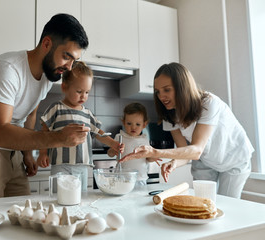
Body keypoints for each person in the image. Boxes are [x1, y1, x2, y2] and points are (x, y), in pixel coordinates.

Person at [0, 14, 90, 199]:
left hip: (13, 151)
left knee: (20, 213)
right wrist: (58, 138)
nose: (70, 67)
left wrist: (27, 154)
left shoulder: (47, 78)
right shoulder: (7, 69)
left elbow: (30, 115)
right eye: (67, 57)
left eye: (74, 60)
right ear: (47, 44)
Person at [120, 63, 254, 198]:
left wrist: (154, 151)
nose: (161, 96)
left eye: (167, 90)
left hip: (233, 158)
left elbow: (196, 150)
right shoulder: (169, 114)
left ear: (182, 86)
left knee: (227, 203)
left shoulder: (208, 103)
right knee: (202, 203)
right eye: (158, 91)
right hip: (205, 160)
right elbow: (184, 150)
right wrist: (174, 162)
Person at [37, 61, 123, 190]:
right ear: (64, 87)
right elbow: (44, 132)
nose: (84, 96)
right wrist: (43, 153)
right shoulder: (56, 108)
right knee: (60, 198)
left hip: (83, 166)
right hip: (61, 165)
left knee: (80, 199)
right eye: (79, 91)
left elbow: (98, 133)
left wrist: (113, 144)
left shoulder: (87, 114)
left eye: (87, 92)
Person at [107, 102, 157, 186]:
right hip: (122, 178)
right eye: (129, 123)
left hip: (140, 178)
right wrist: (113, 151)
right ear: (123, 122)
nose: (133, 127)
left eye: (137, 124)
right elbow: (110, 153)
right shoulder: (120, 137)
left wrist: (153, 157)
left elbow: (148, 159)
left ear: (144, 124)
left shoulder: (145, 139)